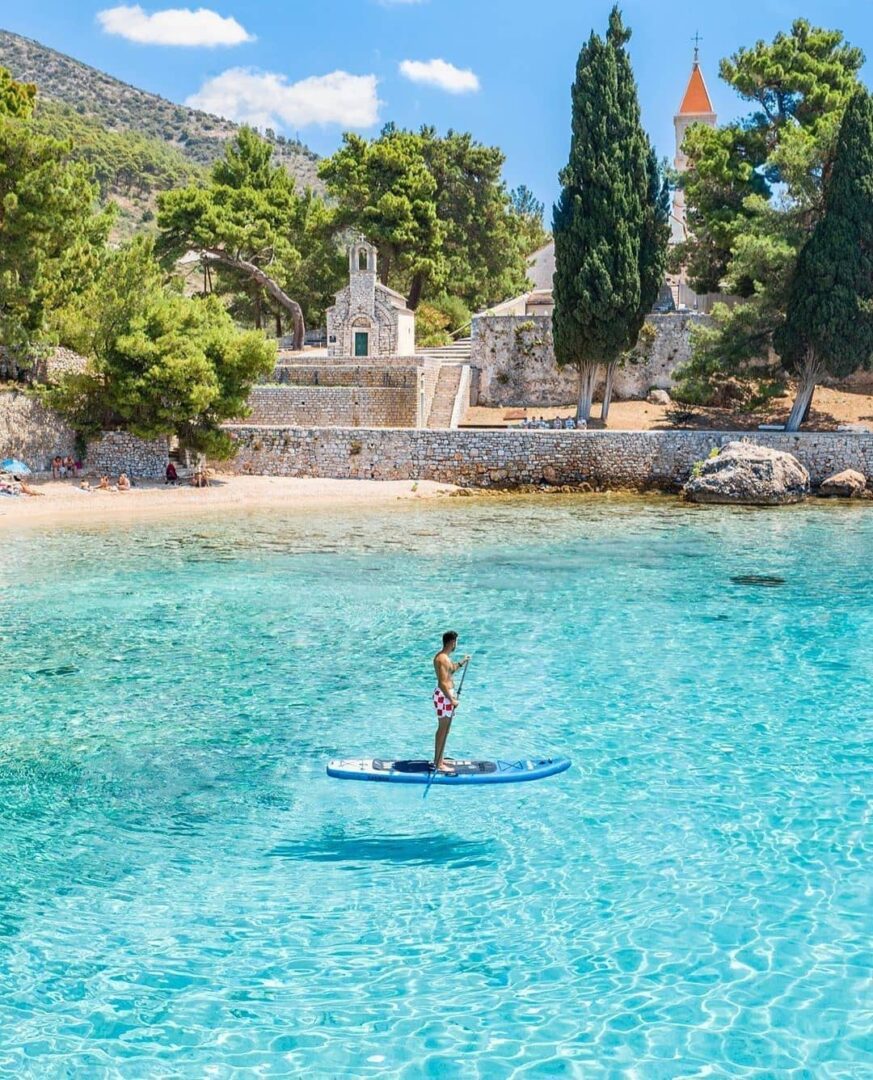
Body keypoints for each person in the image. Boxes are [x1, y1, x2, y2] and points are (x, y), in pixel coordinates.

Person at [432, 631, 470, 774]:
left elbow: (451, 670)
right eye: (456, 642)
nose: (456, 645)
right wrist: (451, 699)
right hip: (444, 697)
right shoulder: (441, 659)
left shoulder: (446, 658)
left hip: (446, 696)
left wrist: (463, 661)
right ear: (452, 642)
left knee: (446, 729)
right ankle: (438, 763)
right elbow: (442, 683)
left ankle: (440, 759)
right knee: (442, 729)